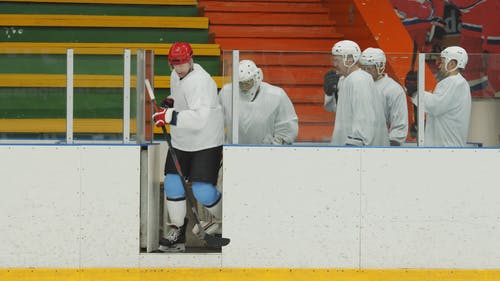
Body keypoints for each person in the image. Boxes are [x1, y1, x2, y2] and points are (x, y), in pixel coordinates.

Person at [152, 42, 224, 252]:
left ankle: (226, 220)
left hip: (206, 142)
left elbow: (200, 118)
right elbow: (180, 99)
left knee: (202, 191)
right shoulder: (176, 75)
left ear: (191, 59)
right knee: (173, 183)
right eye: (176, 65)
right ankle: (177, 232)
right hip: (182, 140)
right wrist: (169, 104)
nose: (180, 68)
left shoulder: (201, 82)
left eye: (183, 63)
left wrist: (168, 116)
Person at [324, 40, 389, 146]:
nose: (334, 64)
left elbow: (364, 116)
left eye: (337, 60)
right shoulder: (345, 80)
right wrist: (330, 93)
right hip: (348, 148)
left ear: (350, 60)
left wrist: (356, 143)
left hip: (361, 152)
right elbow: (336, 109)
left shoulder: (359, 80)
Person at [218, 59, 298, 145]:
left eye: (247, 83)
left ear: (256, 78)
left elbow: (287, 128)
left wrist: (273, 148)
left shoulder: (276, 95)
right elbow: (217, 123)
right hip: (233, 151)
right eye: (240, 83)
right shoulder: (226, 93)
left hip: (266, 154)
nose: (244, 87)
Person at [408, 46, 472, 147]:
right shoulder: (459, 83)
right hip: (447, 146)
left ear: (452, 64)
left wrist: (416, 91)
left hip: (446, 148)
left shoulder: (454, 82)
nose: (439, 66)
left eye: (442, 62)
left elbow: (435, 106)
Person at [359, 47, 409, 146]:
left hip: (380, 145)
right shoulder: (357, 84)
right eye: (363, 68)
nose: (365, 72)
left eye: (369, 68)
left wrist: (389, 146)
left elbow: (399, 125)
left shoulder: (393, 89)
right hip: (357, 142)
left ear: (380, 66)